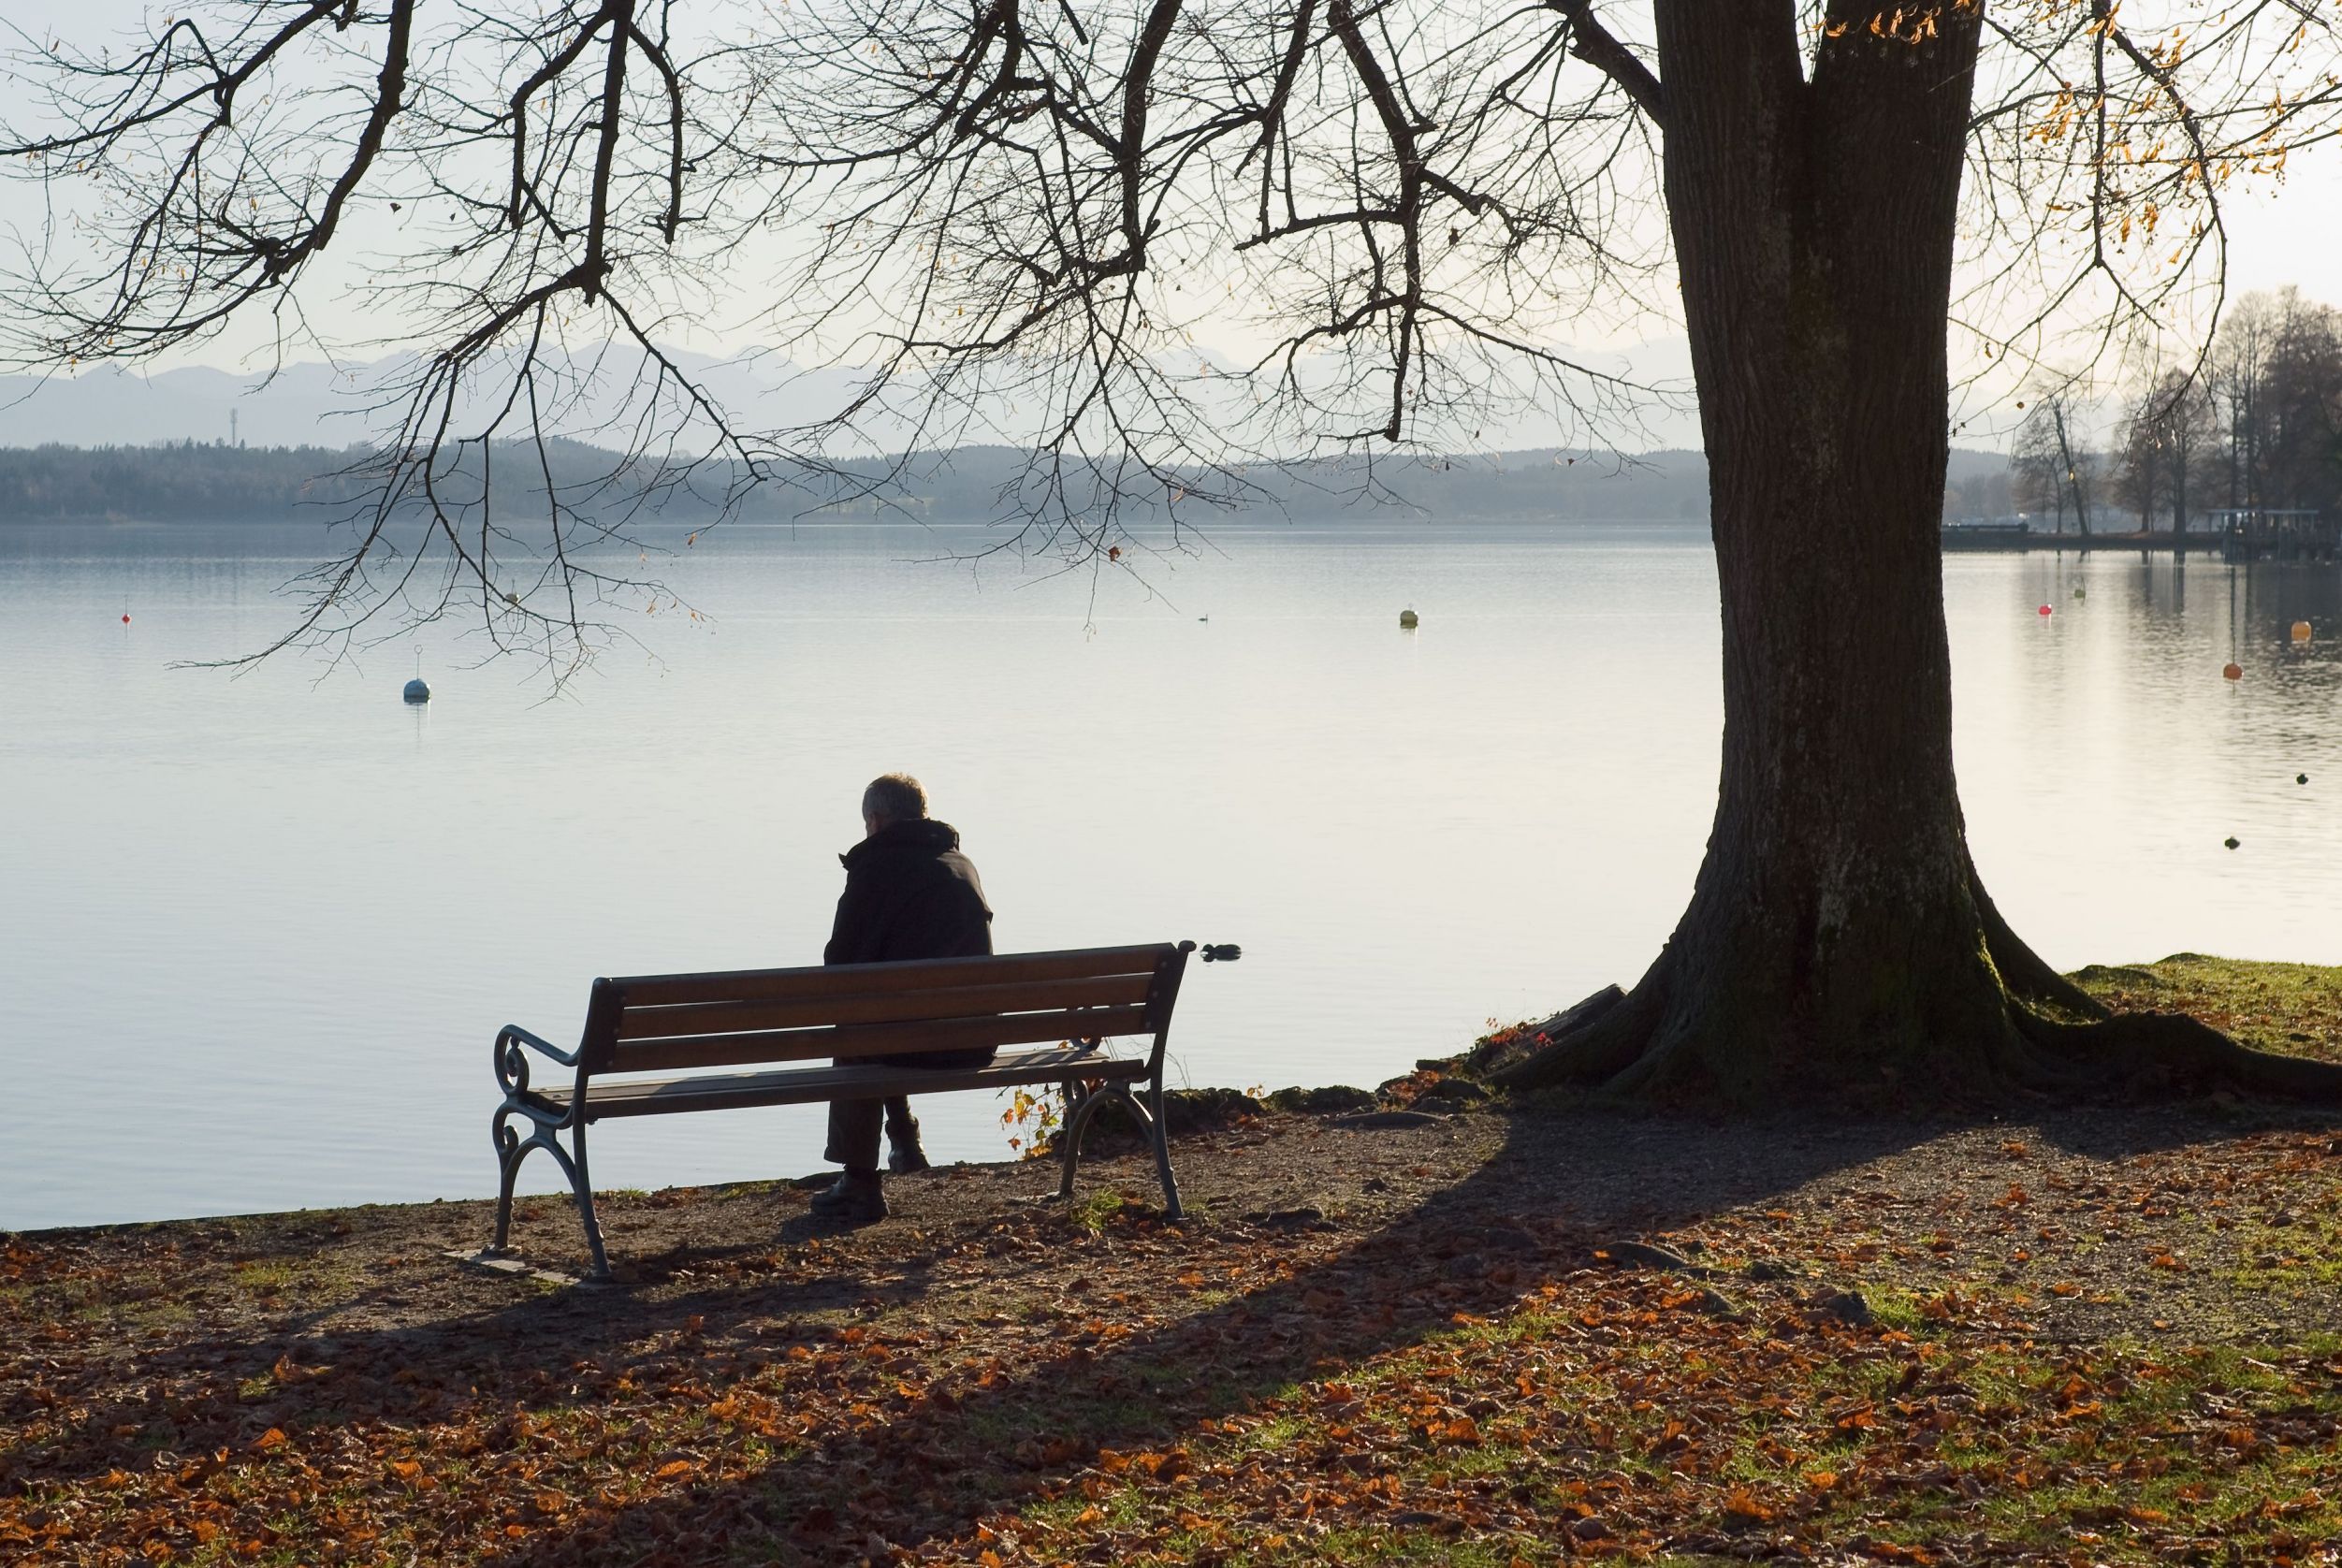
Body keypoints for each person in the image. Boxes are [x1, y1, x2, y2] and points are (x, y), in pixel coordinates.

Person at [811, 773, 996, 1224]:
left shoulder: (875, 869)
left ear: (875, 820)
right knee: (888, 1023)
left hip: (908, 1041)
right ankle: (905, 1141)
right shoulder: (961, 865)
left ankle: (860, 1181)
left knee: (859, 1029)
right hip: (972, 1040)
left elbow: (839, 966)